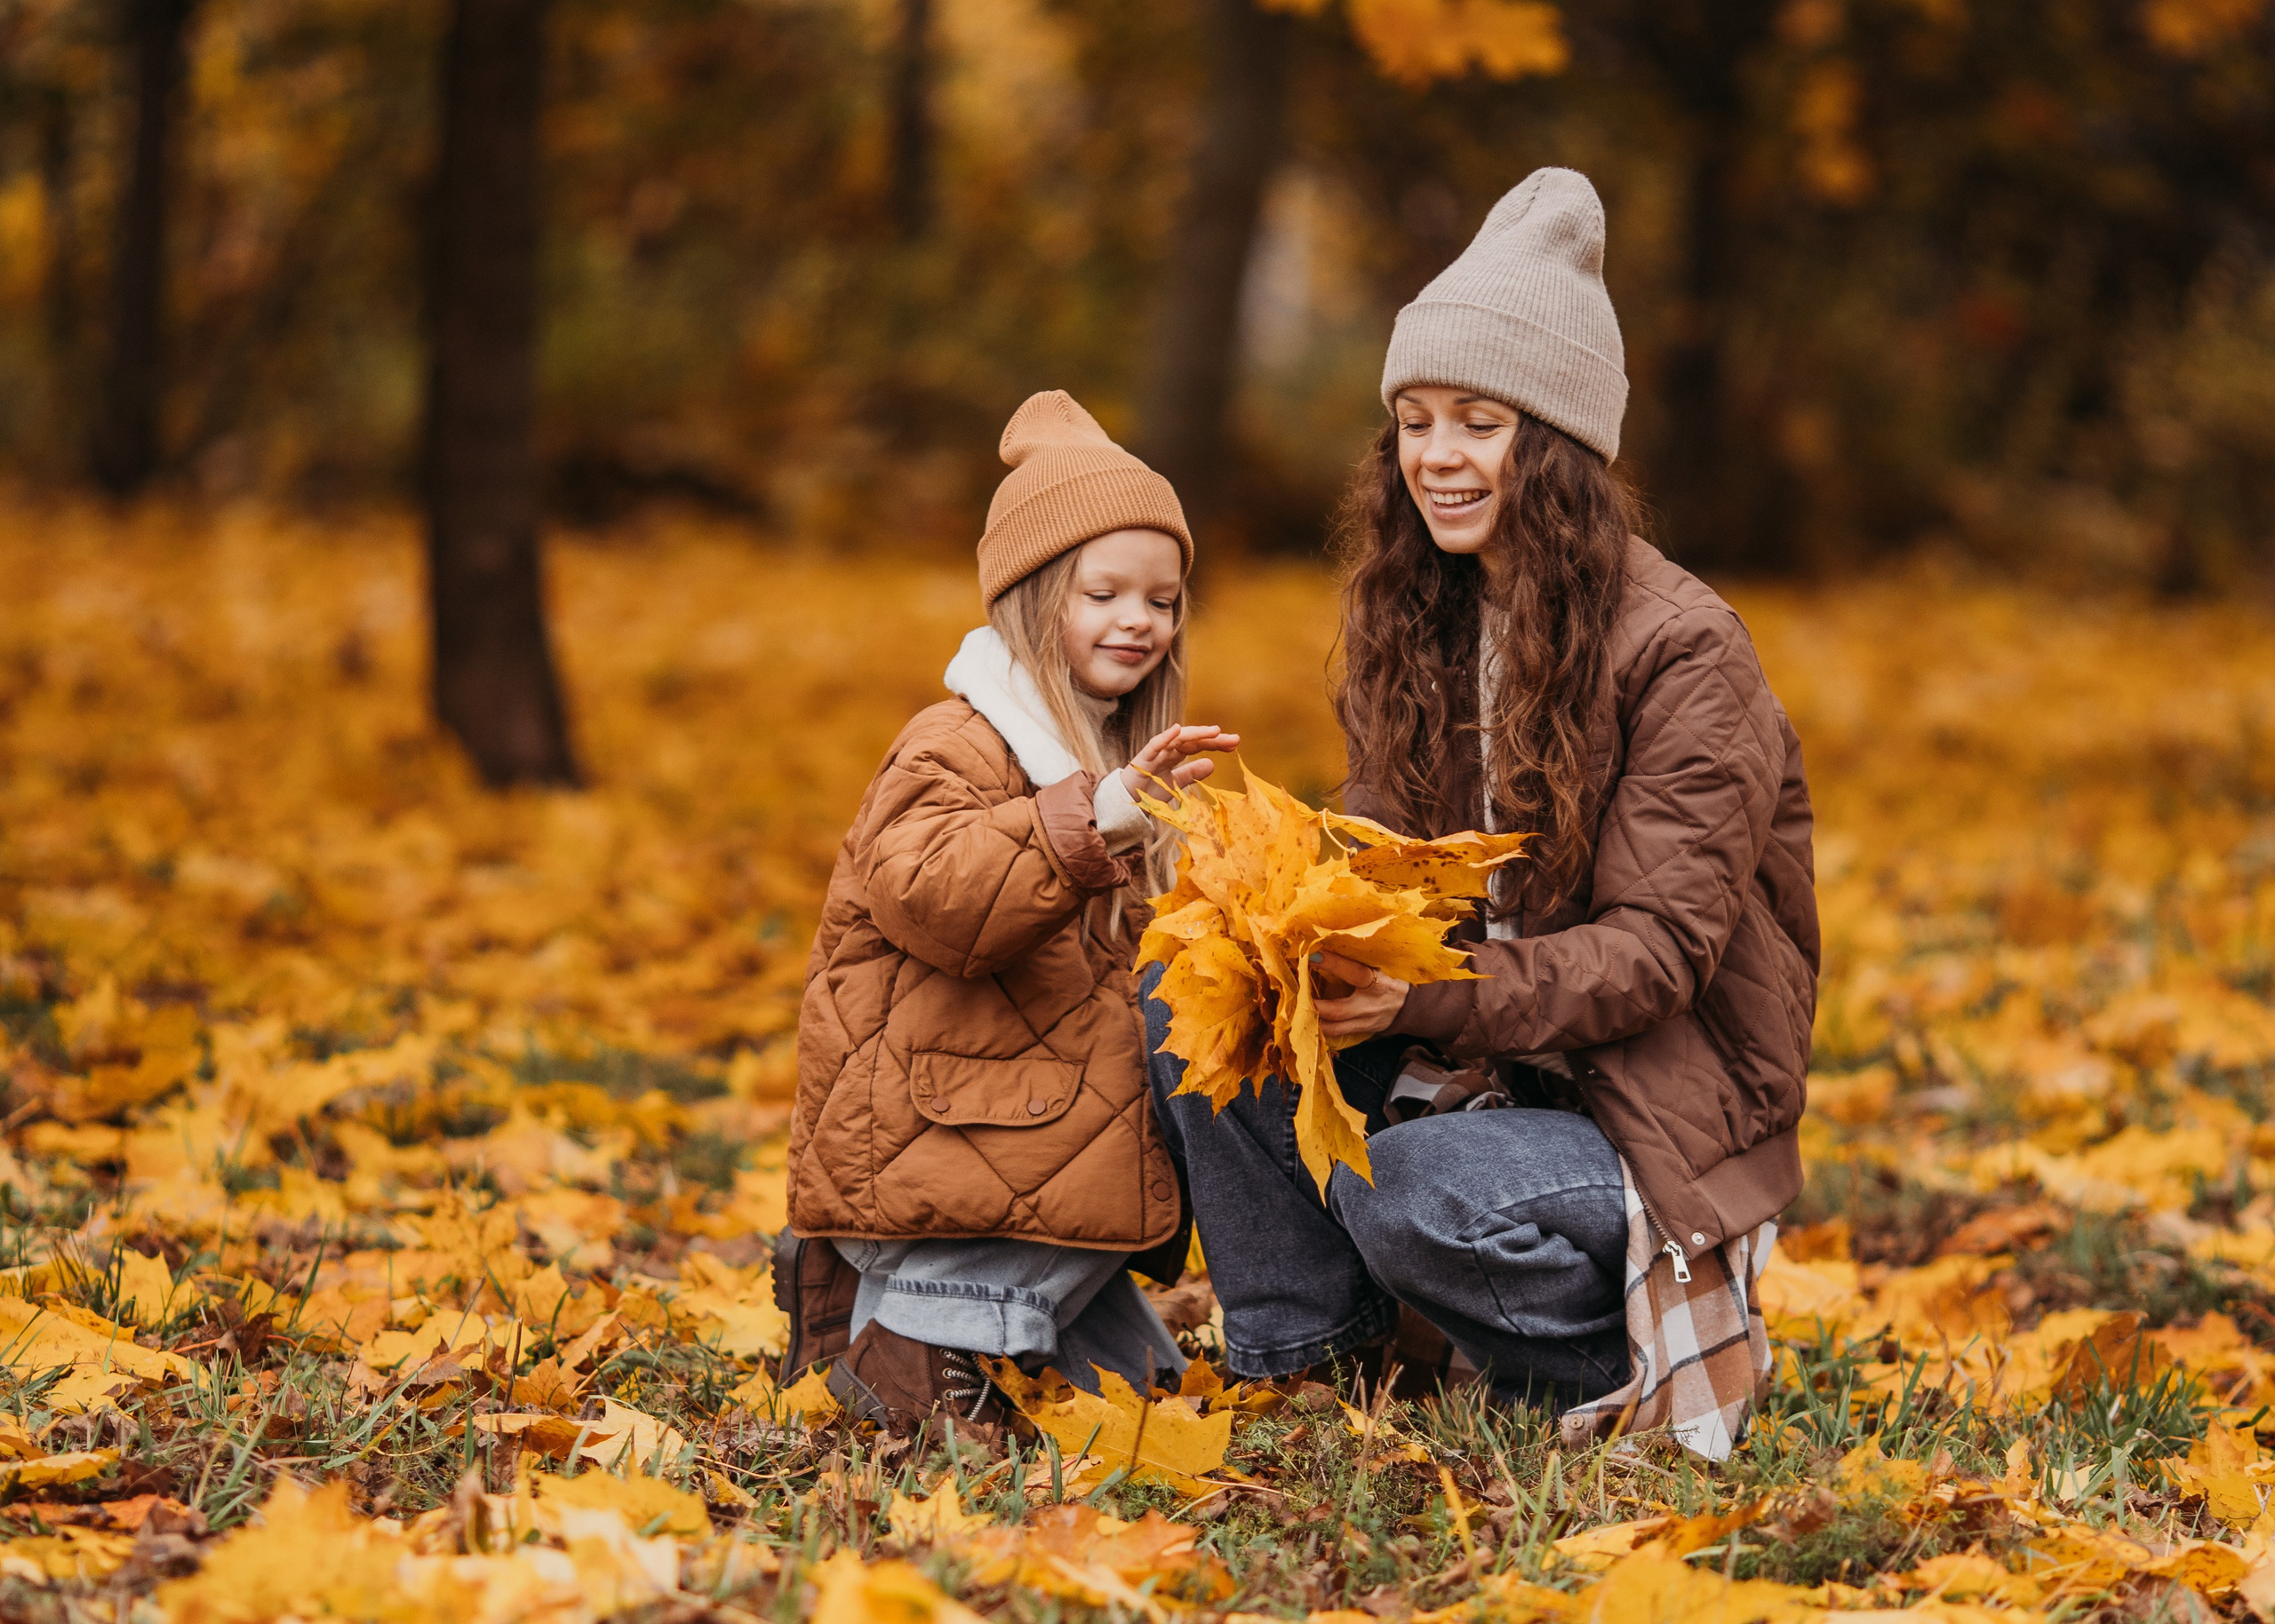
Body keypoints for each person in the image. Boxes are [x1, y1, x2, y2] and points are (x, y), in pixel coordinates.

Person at [1146, 169, 1818, 1424]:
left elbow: (1661, 952)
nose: (1435, 459)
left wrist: (1428, 997)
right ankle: (1309, 1355)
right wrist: (1277, 909)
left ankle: (1583, 1359)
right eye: (1413, 421)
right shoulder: (1423, 612)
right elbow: (1389, 860)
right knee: (1196, 1000)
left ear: (1554, 444)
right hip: (1465, 1067)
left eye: (1477, 421)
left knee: (1416, 1187)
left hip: (1636, 1110)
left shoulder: (1686, 649)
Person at [778, 390, 1237, 1434]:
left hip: (1030, 1126)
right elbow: (938, 897)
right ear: (1032, 599)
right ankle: (899, 1324)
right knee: (972, 1393)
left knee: (1140, 1404)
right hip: (946, 1121)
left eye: (1162, 600)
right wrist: (1098, 818)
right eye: (1104, 592)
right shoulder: (956, 741)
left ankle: (901, 1308)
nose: (1140, 620)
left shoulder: (1108, 754)